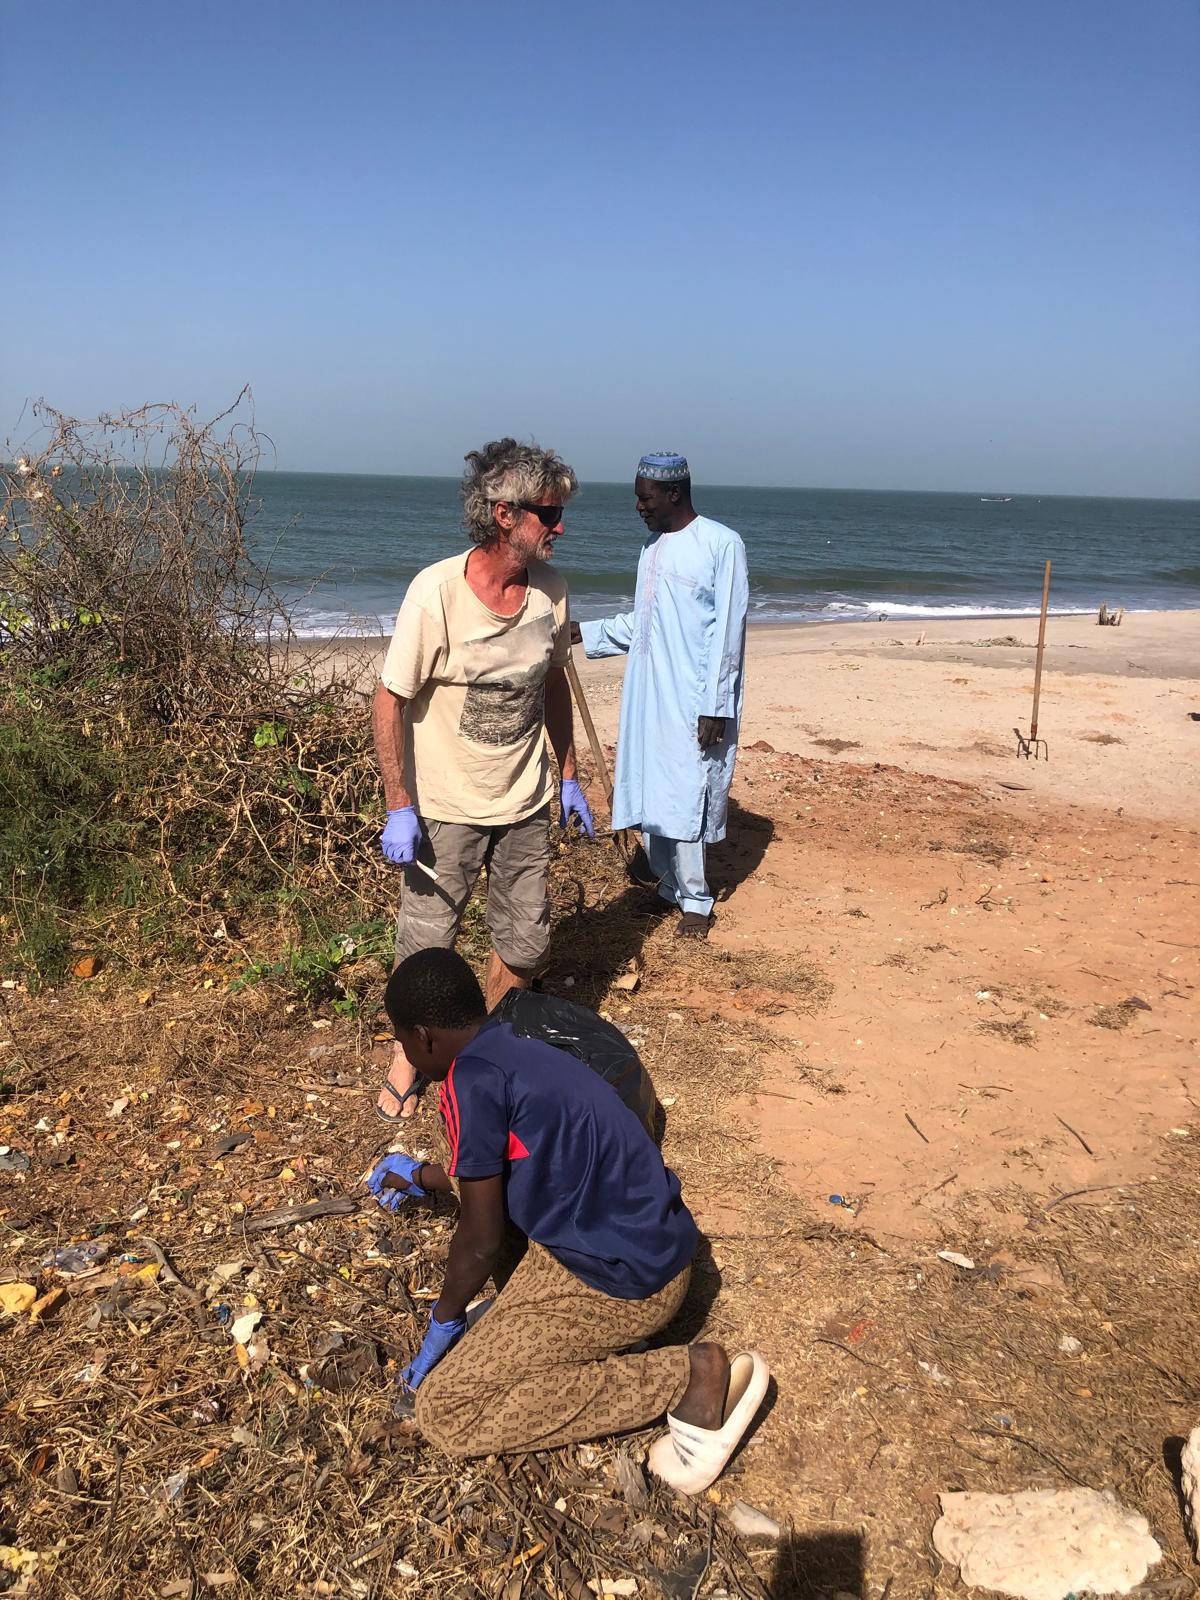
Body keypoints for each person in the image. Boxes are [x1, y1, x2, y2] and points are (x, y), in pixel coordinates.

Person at [366, 948, 769, 1492]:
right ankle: (556, 1336)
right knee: (493, 1324)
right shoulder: (513, 1048)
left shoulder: (470, 1084)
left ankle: (688, 1376)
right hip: (648, 1240)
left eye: (405, 1044)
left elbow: (481, 1240)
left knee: (447, 1410)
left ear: (424, 1037)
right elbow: (490, 1169)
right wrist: (420, 1177)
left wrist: (444, 1319)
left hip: (621, 1282)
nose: (411, 1058)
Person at [372, 439, 594, 1121]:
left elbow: (553, 683)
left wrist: (568, 775)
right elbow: (390, 698)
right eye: (548, 515)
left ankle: (482, 1060)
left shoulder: (550, 593)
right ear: (505, 514)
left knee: (525, 942)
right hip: (445, 809)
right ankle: (408, 1059)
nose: (559, 528)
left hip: (525, 804)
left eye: (559, 514)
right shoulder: (436, 594)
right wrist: (399, 804)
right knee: (426, 948)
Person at [574, 453, 748, 939]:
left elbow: (728, 634)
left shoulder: (721, 544)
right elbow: (646, 623)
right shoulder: (651, 549)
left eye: (644, 497)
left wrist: (716, 705)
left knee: (686, 789)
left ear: (674, 494)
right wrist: (584, 633)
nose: (637, 507)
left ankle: (697, 899)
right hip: (649, 692)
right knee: (654, 783)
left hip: (695, 697)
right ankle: (669, 885)